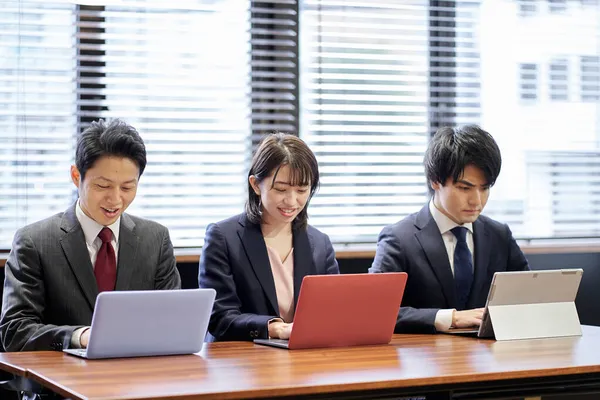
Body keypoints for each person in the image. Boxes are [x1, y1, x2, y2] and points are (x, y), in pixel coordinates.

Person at [1, 119, 181, 352]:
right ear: (76, 176)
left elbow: (173, 321)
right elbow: (15, 331)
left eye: (127, 187)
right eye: (103, 186)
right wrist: (80, 336)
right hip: (62, 381)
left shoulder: (155, 239)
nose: (115, 199)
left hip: (138, 379)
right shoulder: (35, 242)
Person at [369, 125, 529, 333]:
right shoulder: (399, 238)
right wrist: (449, 318)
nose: (477, 200)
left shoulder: (499, 235)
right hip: (427, 359)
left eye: (485, 188)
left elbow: (529, 298)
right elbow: (376, 310)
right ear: (435, 181)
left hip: (490, 358)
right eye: (465, 188)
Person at [199, 132, 339, 341]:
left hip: (305, 359)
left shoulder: (319, 243)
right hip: (242, 361)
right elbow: (220, 317)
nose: (292, 201)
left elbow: (335, 309)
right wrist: (275, 328)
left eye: (302, 190)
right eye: (281, 189)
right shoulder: (224, 238)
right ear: (256, 184)